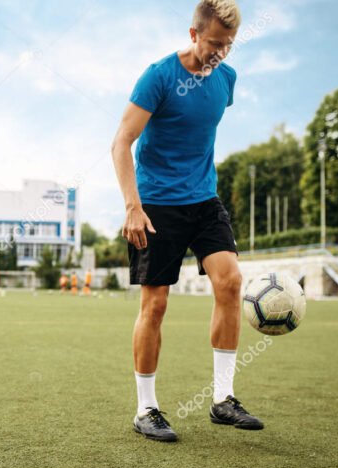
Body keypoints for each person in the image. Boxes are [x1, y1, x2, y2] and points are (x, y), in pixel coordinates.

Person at [112, 0, 263, 442]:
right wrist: (132, 206)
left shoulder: (226, 80)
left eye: (229, 45)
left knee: (231, 282)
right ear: (194, 33)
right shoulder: (158, 76)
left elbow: (199, 132)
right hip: (156, 205)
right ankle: (146, 409)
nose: (221, 53)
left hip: (204, 200)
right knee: (155, 303)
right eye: (215, 43)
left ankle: (223, 400)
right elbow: (122, 142)